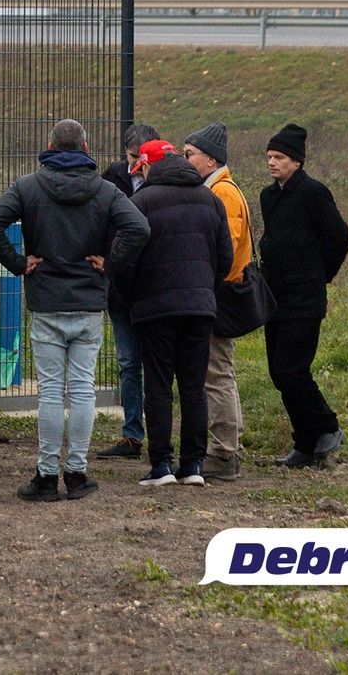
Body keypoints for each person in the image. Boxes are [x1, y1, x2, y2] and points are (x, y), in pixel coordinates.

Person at [0, 120, 150, 502]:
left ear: (49, 145)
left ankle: (46, 476)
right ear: (86, 146)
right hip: (89, 302)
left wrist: (17, 262)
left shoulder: (28, 186)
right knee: (82, 390)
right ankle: (76, 473)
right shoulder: (105, 189)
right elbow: (139, 228)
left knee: (49, 393)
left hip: (46, 299)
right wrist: (110, 262)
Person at [123, 139, 233, 485]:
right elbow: (225, 258)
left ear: (149, 167)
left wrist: (131, 293)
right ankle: (193, 466)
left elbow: (123, 255)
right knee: (193, 386)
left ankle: (160, 465)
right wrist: (204, 287)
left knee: (158, 385)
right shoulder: (210, 199)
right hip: (200, 307)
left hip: (154, 309)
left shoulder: (140, 202)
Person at [258, 123, 348, 467]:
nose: (272, 163)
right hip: (276, 296)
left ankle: (326, 428)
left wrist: (319, 275)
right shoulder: (269, 196)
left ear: (296, 161)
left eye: (279, 157)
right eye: (269, 156)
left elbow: (340, 237)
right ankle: (306, 444)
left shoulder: (314, 192)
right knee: (278, 371)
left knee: (293, 368)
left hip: (305, 297)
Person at [181, 122, 253, 481]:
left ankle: (224, 453)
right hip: (217, 291)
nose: (185, 159)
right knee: (217, 372)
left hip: (219, 293)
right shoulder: (217, 189)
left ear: (210, 159)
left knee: (216, 373)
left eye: (189, 154)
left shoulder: (222, 193)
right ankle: (226, 448)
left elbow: (223, 247)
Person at [96, 121, 160, 460]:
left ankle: (160, 432)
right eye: (132, 156)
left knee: (156, 362)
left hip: (154, 286)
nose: (136, 163)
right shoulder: (112, 177)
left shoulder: (164, 180)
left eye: (142, 157)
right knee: (127, 362)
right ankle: (132, 434)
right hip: (120, 286)